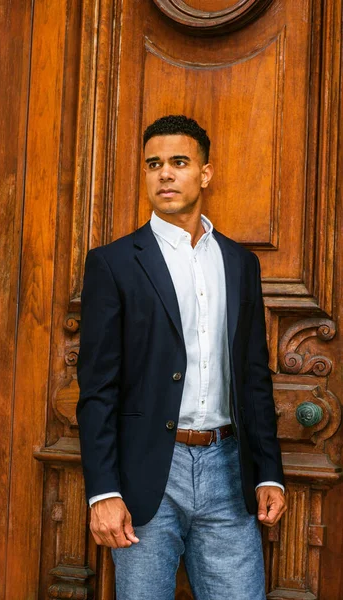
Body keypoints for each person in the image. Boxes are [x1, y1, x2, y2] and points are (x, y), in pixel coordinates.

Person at [76, 115, 287, 600]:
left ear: (205, 174)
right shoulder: (113, 263)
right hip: (148, 473)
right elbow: (97, 388)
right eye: (153, 164)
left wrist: (269, 472)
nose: (164, 174)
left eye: (178, 162)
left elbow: (254, 377)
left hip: (229, 471)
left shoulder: (239, 262)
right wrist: (104, 492)